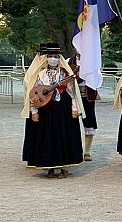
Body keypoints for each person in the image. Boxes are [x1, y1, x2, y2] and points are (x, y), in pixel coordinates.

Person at [23, 45, 84, 177]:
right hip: (45, 110)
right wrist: (34, 111)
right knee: (47, 137)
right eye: (50, 56)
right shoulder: (40, 74)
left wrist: (75, 109)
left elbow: (72, 92)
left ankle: (63, 167)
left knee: (63, 137)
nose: (53, 59)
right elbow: (33, 94)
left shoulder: (65, 74)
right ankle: (49, 167)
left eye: (56, 57)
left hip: (62, 108)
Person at [68, 51, 98, 161]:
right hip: (73, 95)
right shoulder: (69, 61)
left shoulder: (92, 62)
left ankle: (87, 151)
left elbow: (97, 77)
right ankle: (73, 149)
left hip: (87, 94)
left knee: (89, 121)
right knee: (71, 121)